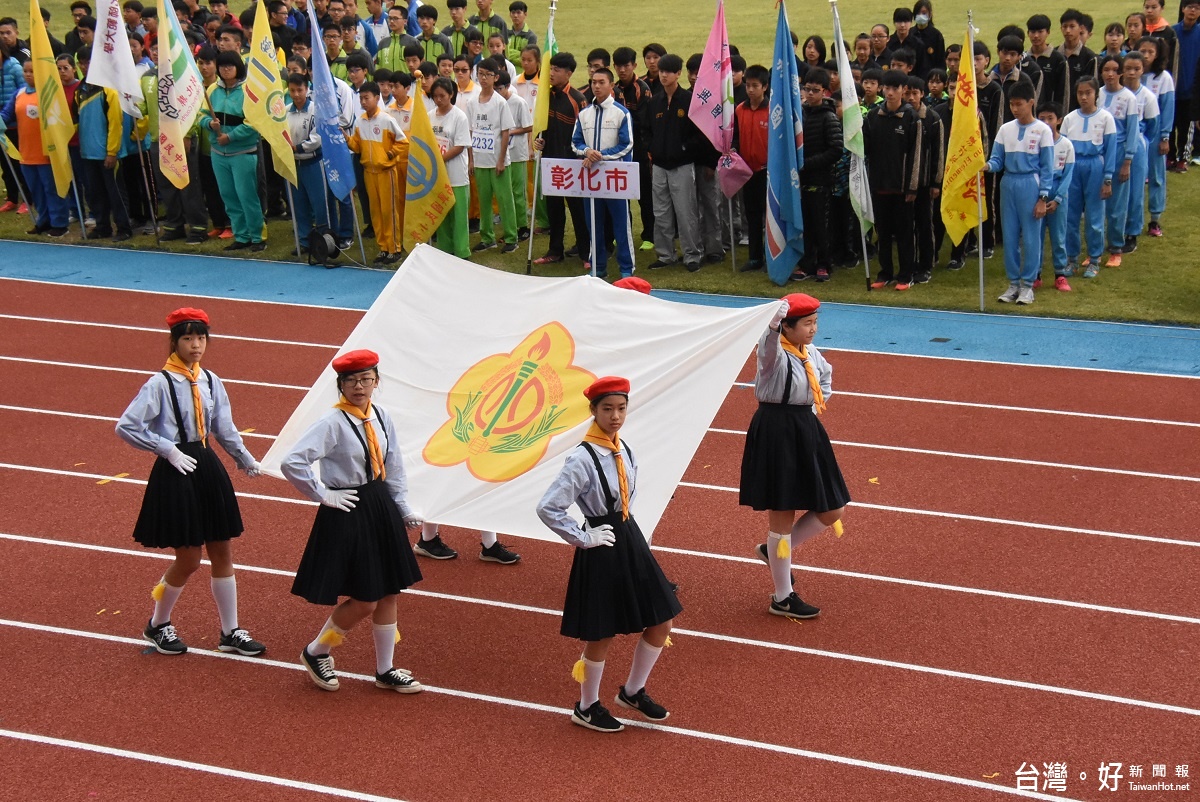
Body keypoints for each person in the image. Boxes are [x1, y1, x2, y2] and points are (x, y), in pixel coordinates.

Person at [116, 308, 266, 658]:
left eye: (200, 338)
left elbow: (224, 428)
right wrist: (166, 449)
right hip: (177, 469)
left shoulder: (211, 380)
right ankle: (157, 624)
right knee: (188, 558)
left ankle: (230, 631)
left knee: (222, 550)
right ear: (175, 342)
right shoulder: (159, 383)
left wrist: (244, 459)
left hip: (206, 464)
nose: (196, 345)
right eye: (188, 338)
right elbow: (127, 425)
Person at [536, 377, 682, 733]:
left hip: (629, 538)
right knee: (601, 633)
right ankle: (586, 706)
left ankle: (632, 691)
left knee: (662, 618)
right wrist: (583, 537)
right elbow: (549, 508)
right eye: (607, 409)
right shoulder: (581, 459)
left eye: (621, 408)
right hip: (603, 544)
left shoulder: (623, 447)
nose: (616, 416)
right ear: (593, 411)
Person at [282, 349, 424, 694]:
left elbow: (394, 464)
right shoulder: (332, 422)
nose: (359, 386)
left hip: (379, 504)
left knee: (390, 591)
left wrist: (402, 506)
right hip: (348, 507)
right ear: (340, 384)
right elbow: (293, 462)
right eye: (351, 380)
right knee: (365, 598)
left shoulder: (380, 415)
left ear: (376, 381)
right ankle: (317, 651)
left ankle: (385, 669)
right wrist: (322, 493)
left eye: (366, 379)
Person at [742, 294, 848, 621]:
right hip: (777, 430)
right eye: (807, 324)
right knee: (783, 512)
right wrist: (772, 324)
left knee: (833, 508)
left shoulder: (810, 352)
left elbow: (825, 377)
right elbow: (767, 346)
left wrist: (814, 409)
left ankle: (771, 554)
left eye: (816, 322)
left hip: (806, 427)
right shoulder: (773, 355)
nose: (814, 329)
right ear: (787, 327)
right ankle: (782, 596)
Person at [984, 78, 1054, 305]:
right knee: (1010, 236)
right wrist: (986, 166)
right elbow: (997, 160)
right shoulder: (1005, 129)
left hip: (1030, 185)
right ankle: (1013, 283)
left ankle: (1028, 285)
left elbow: (1047, 167)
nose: (1015, 109)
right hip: (1009, 184)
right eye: (1012, 105)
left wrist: (1043, 197)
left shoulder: (1042, 130)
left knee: (1031, 238)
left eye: (1019, 104)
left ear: (1031, 103)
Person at [571, 67, 635, 279]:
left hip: (615, 179)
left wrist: (600, 155)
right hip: (592, 180)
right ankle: (598, 270)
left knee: (621, 227)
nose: (596, 86)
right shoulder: (584, 114)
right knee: (594, 226)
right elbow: (575, 142)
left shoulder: (621, 113)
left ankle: (627, 270)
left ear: (611, 84)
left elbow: (627, 145)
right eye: (593, 82)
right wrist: (587, 151)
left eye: (601, 82)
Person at [201, 50, 265, 251]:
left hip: (243, 152)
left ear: (238, 67)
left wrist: (231, 136)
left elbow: (254, 122)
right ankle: (241, 235)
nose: (226, 70)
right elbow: (201, 115)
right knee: (228, 195)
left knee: (247, 195)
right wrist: (210, 124)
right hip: (218, 153)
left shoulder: (249, 91)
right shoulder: (212, 90)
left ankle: (257, 237)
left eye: (230, 66)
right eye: (222, 66)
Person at [532, 51, 589, 266]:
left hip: (572, 164)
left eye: (557, 70)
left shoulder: (577, 99)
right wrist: (539, 140)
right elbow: (541, 126)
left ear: (569, 73)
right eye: (551, 69)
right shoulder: (545, 96)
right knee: (554, 210)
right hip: (550, 163)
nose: (552, 73)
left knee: (578, 210)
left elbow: (585, 133)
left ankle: (586, 253)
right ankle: (555, 251)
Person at [646, 54, 702, 272]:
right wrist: (653, 150)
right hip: (659, 166)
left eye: (668, 71)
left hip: (682, 165)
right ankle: (666, 254)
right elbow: (647, 131)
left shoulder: (689, 101)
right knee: (660, 212)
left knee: (685, 211)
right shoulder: (655, 102)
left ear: (679, 74)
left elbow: (698, 134)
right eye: (661, 71)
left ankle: (692, 255)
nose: (663, 75)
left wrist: (684, 150)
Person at [0, 61, 69, 236]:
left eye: (32, 71)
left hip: (46, 153)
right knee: (35, 190)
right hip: (26, 152)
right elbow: (7, 114)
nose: (28, 74)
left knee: (51, 189)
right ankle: (43, 220)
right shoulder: (19, 93)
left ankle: (59, 223)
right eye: (26, 71)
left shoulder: (48, 93)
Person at [865, 70, 920, 290]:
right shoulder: (872, 117)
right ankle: (885, 272)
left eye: (894, 88)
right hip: (879, 185)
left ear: (903, 90)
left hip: (902, 186)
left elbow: (916, 154)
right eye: (886, 88)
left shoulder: (911, 118)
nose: (889, 93)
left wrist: (912, 186)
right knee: (883, 233)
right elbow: (866, 149)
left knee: (905, 234)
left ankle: (906, 274)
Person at [74, 46, 134, 242]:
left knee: (116, 193)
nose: (85, 65)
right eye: (82, 62)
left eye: (89, 61)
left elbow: (116, 123)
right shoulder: (80, 90)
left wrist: (112, 151)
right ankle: (102, 226)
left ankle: (124, 227)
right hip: (88, 153)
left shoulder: (109, 90)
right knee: (95, 193)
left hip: (108, 153)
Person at [1061, 76, 1117, 278]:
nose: (1084, 97)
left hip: (1095, 166)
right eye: (1080, 93)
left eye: (1088, 93)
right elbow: (1064, 150)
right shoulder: (1069, 119)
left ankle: (1094, 259)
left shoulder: (1105, 118)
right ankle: (1072, 259)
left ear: (1096, 95)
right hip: (1074, 167)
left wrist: (1108, 178)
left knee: (1094, 216)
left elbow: (1111, 150)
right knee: (1070, 216)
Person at [348, 80, 406, 264]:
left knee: (389, 211)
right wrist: (347, 139)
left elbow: (403, 142)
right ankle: (383, 247)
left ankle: (394, 247)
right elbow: (357, 146)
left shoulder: (386, 120)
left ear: (377, 98)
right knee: (376, 212)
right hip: (369, 172)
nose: (363, 102)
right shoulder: (360, 121)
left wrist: (389, 154)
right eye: (361, 99)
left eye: (367, 98)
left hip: (386, 172)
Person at [795, 68, 841, 283]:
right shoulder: (800, 114)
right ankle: (806, 264)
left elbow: (835, 150)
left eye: (815, 90)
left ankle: (824, 264)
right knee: (805, 225)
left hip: (821, 181)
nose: (810, 94)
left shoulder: (828, 117)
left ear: (825, 92)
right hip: (802, 181)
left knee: (821, 226)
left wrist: (808, 164)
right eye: (807, 89)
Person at [468, 57, 518, 253]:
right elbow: (471, 131)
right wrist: (471, 159)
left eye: (488, 75)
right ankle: (487, 237)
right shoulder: (473, 102)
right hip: (480, 160)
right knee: (484, 200)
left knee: (505, 200)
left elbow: (505, 132)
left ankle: (511, 237)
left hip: (497, 160)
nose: (484, 78)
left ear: (496, 77)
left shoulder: (500, 103)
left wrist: (501, 160)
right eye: (480, 74)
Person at [1098, 55, 1138, 267]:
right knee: (1098, 203)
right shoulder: (1098, 95)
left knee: (1117, 204)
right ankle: (1096, 248)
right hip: (1101, 153)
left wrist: (1128, 161)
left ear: (1120, 73)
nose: (1110, 74)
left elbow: (1132, 131)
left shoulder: (1129, 98)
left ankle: (1116, 248)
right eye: (1106, 70)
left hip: (1120, 152)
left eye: (1114, 70)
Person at [285, 73, 331, 256]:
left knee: (320, 204)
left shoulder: (316, 110)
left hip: (313, 163)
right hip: (293, 165)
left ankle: (324, 241)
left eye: (300, 90)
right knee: (298, 204)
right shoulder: (285, 110)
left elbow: (317, 138)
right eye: (292, 90)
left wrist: (296, 147)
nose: (296, 94)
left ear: (307, 89)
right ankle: (304, 241)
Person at [905, 74, 944, 285]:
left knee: (924, 224)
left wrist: (936, 182)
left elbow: (939, 151)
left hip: (926, 182)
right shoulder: (901, 116)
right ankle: (909, 263)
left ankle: (926, 264)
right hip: (905, 183)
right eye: (907, 93)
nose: (911, 97)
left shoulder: (933, 118)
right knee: (906, 226)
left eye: (915, 93)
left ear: (922, 94)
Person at [429, 76, 472, 258]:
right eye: (435, 96)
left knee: (459, 214)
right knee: (441, 213)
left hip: (456, 174)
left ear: (451, 95)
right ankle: (445, 250)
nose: (439, 100)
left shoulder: (459, 117)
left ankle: (462, 251)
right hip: (438, 174)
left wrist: (440, 159)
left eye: (442, 96)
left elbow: (460, 146)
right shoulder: (430, 116)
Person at [1121, 52, 1159, 254]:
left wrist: (1139, 141)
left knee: (1135, 190)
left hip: (1138, 147)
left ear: (1142, 70)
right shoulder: (1113, 93)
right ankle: (1115, 230)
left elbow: (1153, 127)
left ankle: (1132, 232)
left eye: (1136, 69)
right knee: (1116, 191)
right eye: (1128, 68)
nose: (1132, 73)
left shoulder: (1147, 97)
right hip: (1116, 146)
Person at [732, 64, 769, 273]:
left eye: (755, 86)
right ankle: (755, 257)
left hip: (767, 171)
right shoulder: (740, 109)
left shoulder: (772, 109)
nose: (751, 90)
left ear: (764, 87)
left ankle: (770, 255)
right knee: (752, 215)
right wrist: (734, 148)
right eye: (748, 85)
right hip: (748, 171)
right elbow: (735, 135)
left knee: (769, 216)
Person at [1036, 101, 1075, 291]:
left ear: (1059, 120)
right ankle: (1035, 274)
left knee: (1058, 237)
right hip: (1038, 194)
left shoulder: (1066, 145)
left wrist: (1058, 199)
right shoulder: (1034, 143)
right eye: (1041, 118)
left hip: (1059, 194)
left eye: (1050, 118)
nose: (1045, 122)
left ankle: (1060, 274)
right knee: (1036, 236)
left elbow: (1068, 175)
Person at [1140, 36, 1174, 235]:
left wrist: (1165, 136)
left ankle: (1154, 219)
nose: (1145, 56)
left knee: (1156, 176)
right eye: (1142, 51)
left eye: (1150, 52)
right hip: (1136, 134)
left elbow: (1168, 108)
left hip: (1154, 135)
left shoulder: (1163, 78)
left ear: (1158, 55)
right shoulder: (1132, 74)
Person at [1023, 14, 1071, 108]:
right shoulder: (1023, 58)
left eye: (1040, 32)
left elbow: (1063, 92)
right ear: (1028, 33)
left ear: (1048, 32)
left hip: (1049, 114)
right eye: (1032, 32)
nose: (1036, 36)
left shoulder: (1058, 59)